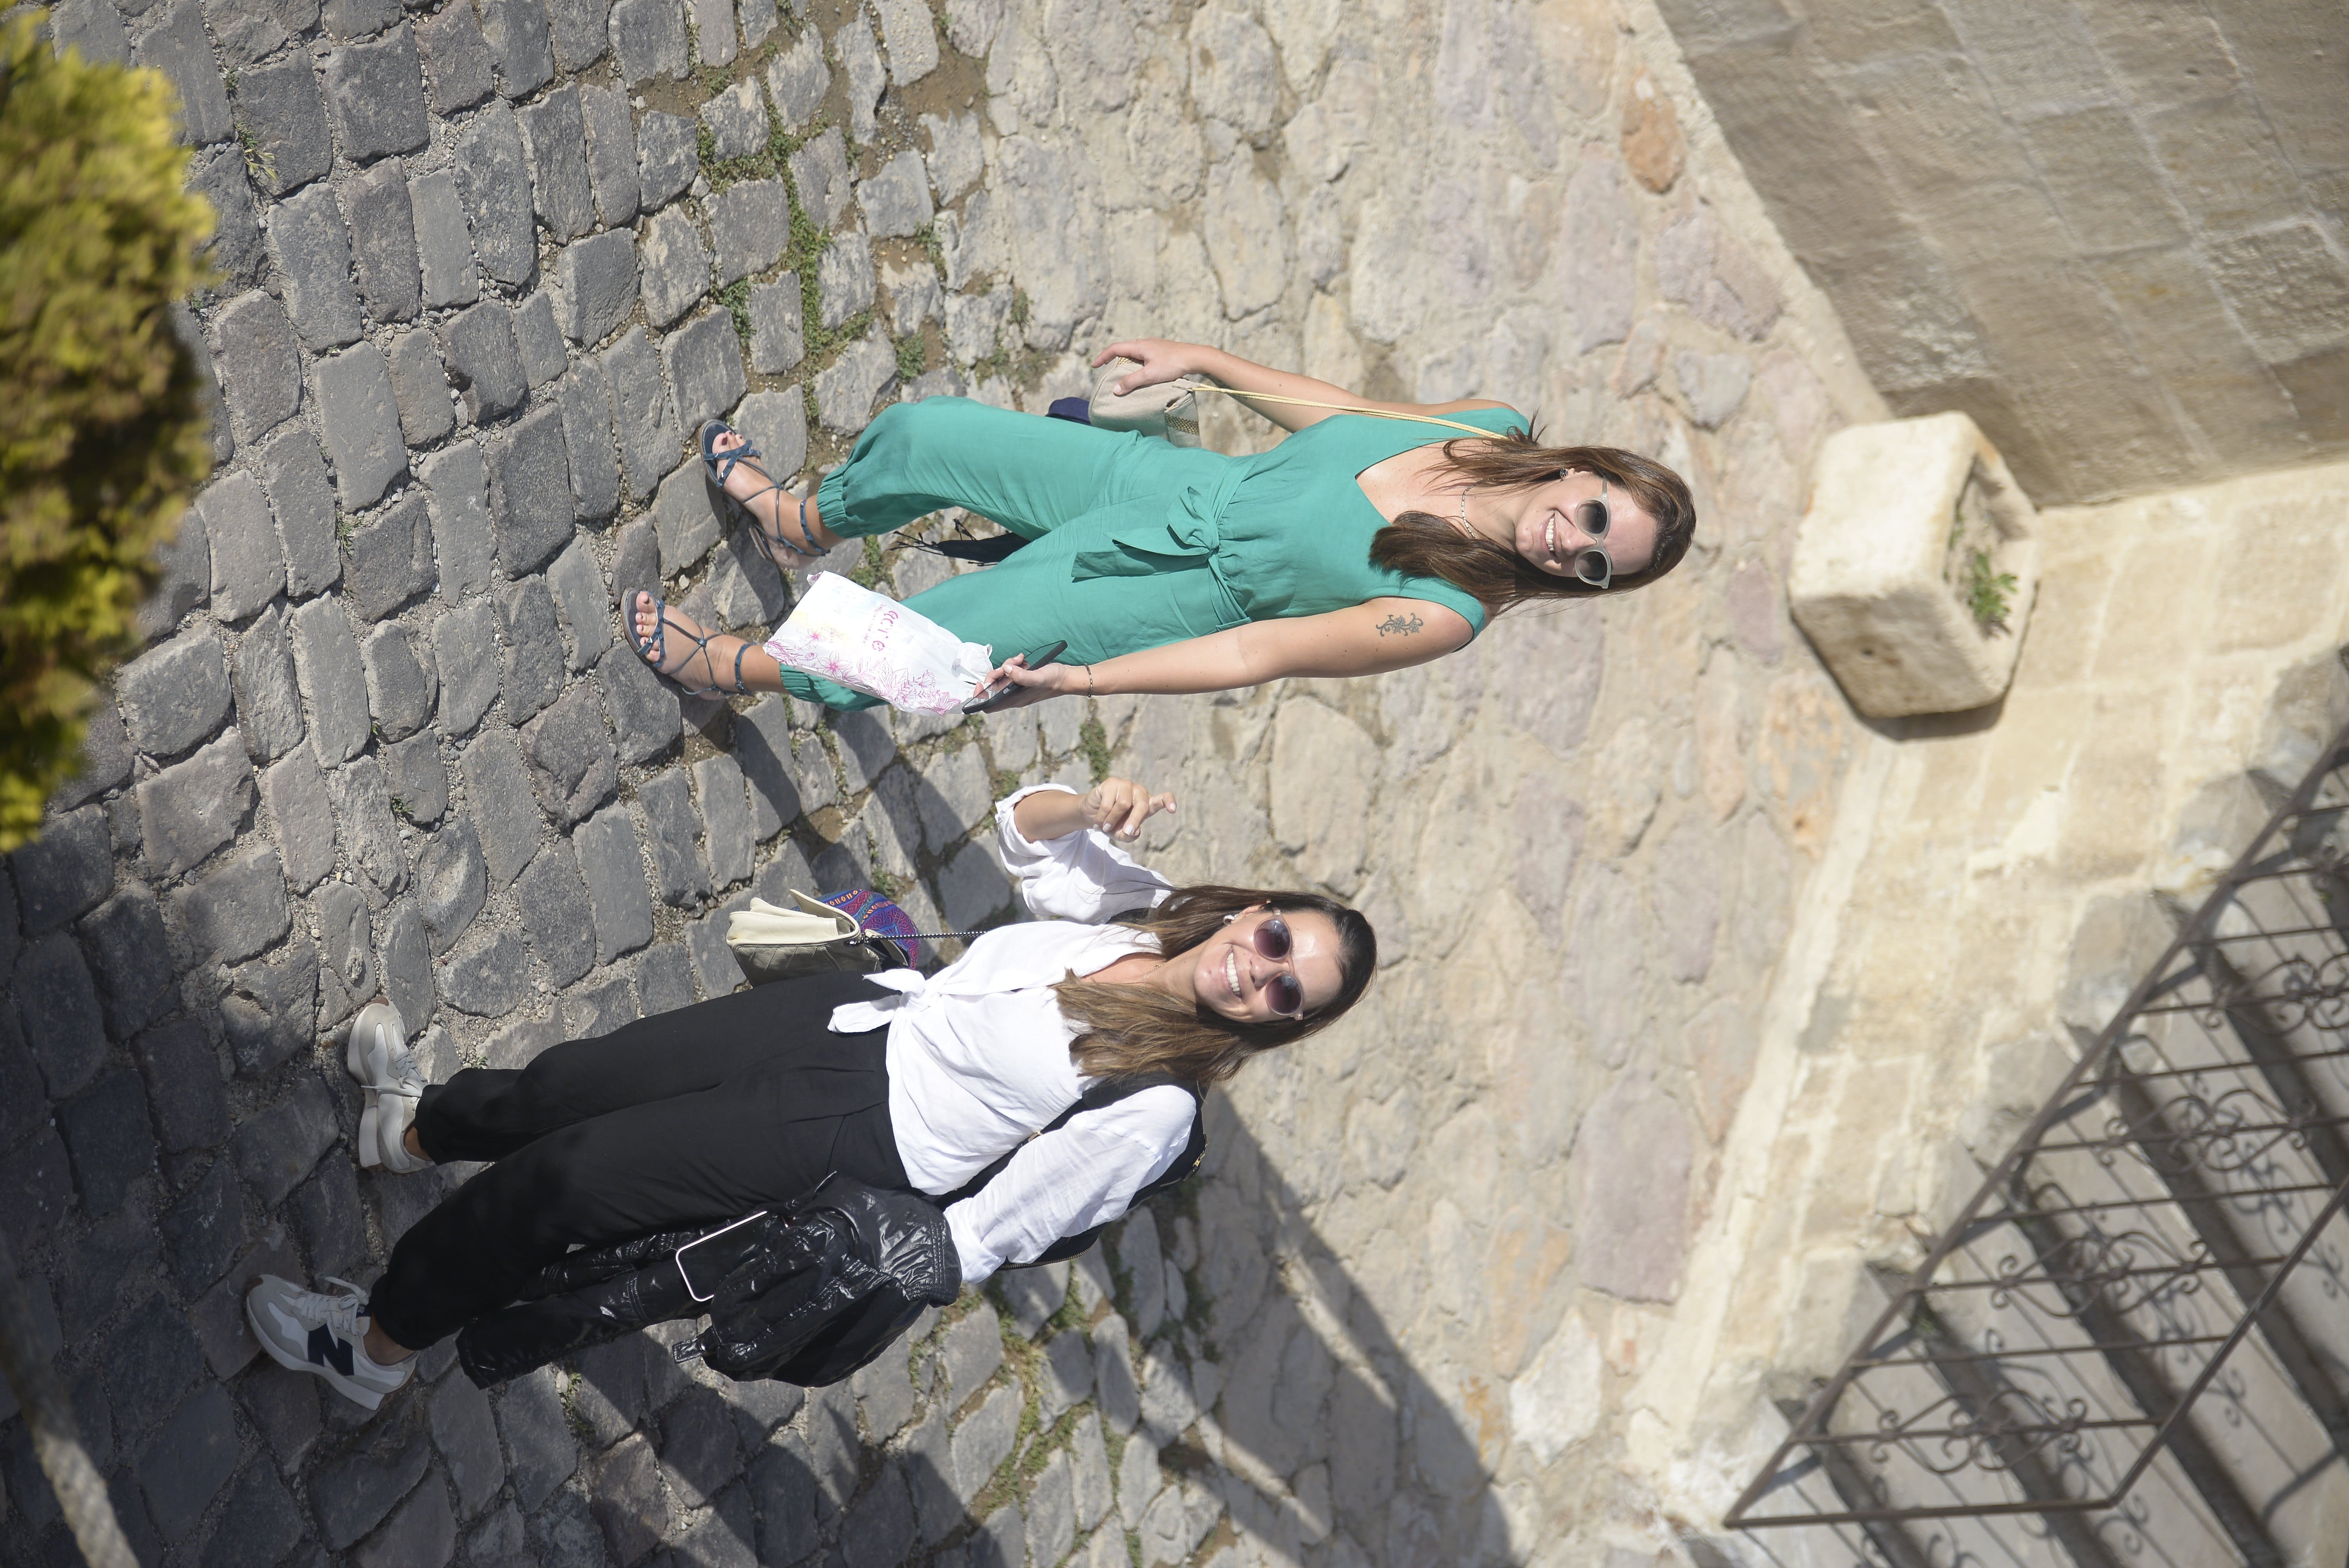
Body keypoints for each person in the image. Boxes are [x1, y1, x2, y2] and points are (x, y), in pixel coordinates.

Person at [244, 776, 1376, 1411]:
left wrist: (847, 1233)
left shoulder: (1159, 1108)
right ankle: (414, 1131)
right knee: (577, 1083)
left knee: (570, 1184)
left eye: (1288, 993)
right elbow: (1022, 838)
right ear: (1256, 910)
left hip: (851, 1137)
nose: (1261, 971)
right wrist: (1083, 805)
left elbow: (991, 1234)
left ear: (1283, 1024)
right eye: (1278, 940)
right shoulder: (1155, 915)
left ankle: (375, 1349)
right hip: (850, 1017)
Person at [625, 337, 1697, 711]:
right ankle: (807, 520)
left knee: (937, 647)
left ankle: (739, 669)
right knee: (928, 435)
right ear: (1585, 469)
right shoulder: (1489, 428)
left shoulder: (1448, 611)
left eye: (1598, 566)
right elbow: (1345, 418)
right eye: (1595, 515)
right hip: (1172, 486)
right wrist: (1210, 364)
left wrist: (1084, 682)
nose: (1574, 543)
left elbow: (1258, 653)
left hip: (1163, 598)